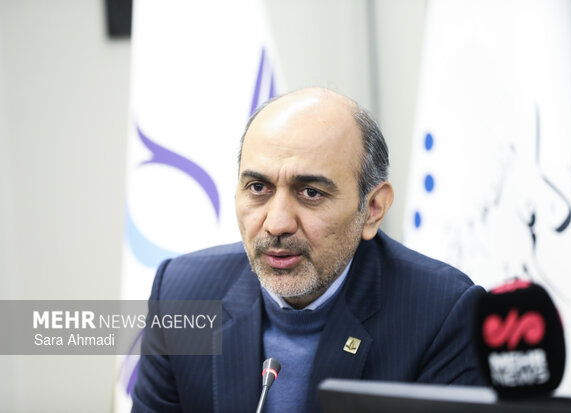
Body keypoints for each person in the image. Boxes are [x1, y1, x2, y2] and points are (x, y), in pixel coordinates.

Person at [131, 88, 485, 413]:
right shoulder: (181, 293)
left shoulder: (441, 313)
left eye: (311, 193)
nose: (277, 224)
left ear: (373, 208)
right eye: (258, 187)